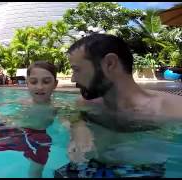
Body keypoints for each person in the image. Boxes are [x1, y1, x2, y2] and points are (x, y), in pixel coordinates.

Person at [61, 33, 182, 178]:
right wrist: (78, 126)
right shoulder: (87, 103)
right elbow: (67, 113)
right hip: (92, 166)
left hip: (142, 171)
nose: (73, 78)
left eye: (77, 69)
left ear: (110, 63)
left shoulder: (173, 109)